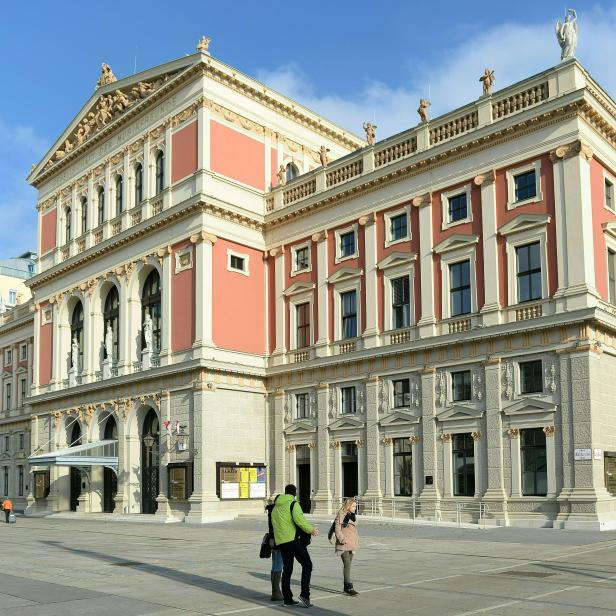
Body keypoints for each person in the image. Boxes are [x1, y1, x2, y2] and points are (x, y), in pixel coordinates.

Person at [271, 484, 319, 608]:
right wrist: (312, 530)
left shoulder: (276, 507)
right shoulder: (293, 504)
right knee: (307, 565)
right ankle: (304, 596)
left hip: (281, 542)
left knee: (287, 569)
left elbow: (274, 525)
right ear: (294, 493)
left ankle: (287, 599)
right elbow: (300, 521)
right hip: (293, 540)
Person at [334, 498, 360, 596]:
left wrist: (357, 540)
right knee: (347, 564)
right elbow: (337, 530)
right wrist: (342, 539)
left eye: (355, 506)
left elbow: (354, 530)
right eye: (353, 506)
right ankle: (349, 587)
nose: (355, 508)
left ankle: (346, 586)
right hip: (344, 544)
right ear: (348, 506)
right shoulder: (341, 514)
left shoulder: (353, 516)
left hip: (352, 544)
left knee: (348, 565)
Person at [265, 499, 283, 602]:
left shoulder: (271, 510)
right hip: (278, 541)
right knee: (278, 565)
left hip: (273, 540)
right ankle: (276, 592)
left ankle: (275, 591)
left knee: (275, 564)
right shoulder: (276, 511)